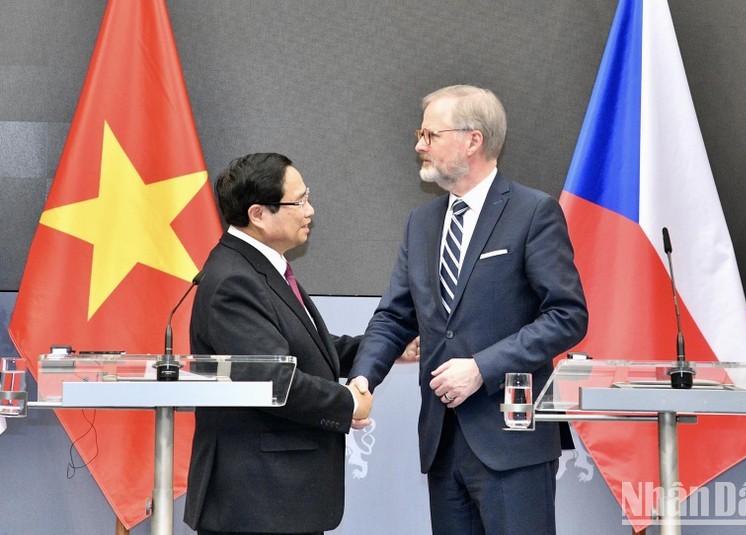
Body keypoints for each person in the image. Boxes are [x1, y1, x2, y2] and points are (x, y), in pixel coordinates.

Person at [349, 85, 588, 535]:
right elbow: (395, 316)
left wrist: (482, 367)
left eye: (429, 134)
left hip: (511, 440)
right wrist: (363, 378)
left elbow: (567, 316)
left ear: (472, 140)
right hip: (443, 440)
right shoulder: (420, 224)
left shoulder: (533, 212)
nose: (419, 145)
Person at [184, 152, 373, 535]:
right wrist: (350, 402)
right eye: (299, 201)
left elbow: (303, 349)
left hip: (277, 500)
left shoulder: (260, 265)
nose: (310, 210)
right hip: (257, 500)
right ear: (258, 214)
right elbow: (272, 379)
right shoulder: (234, 280)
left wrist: (380, 349)